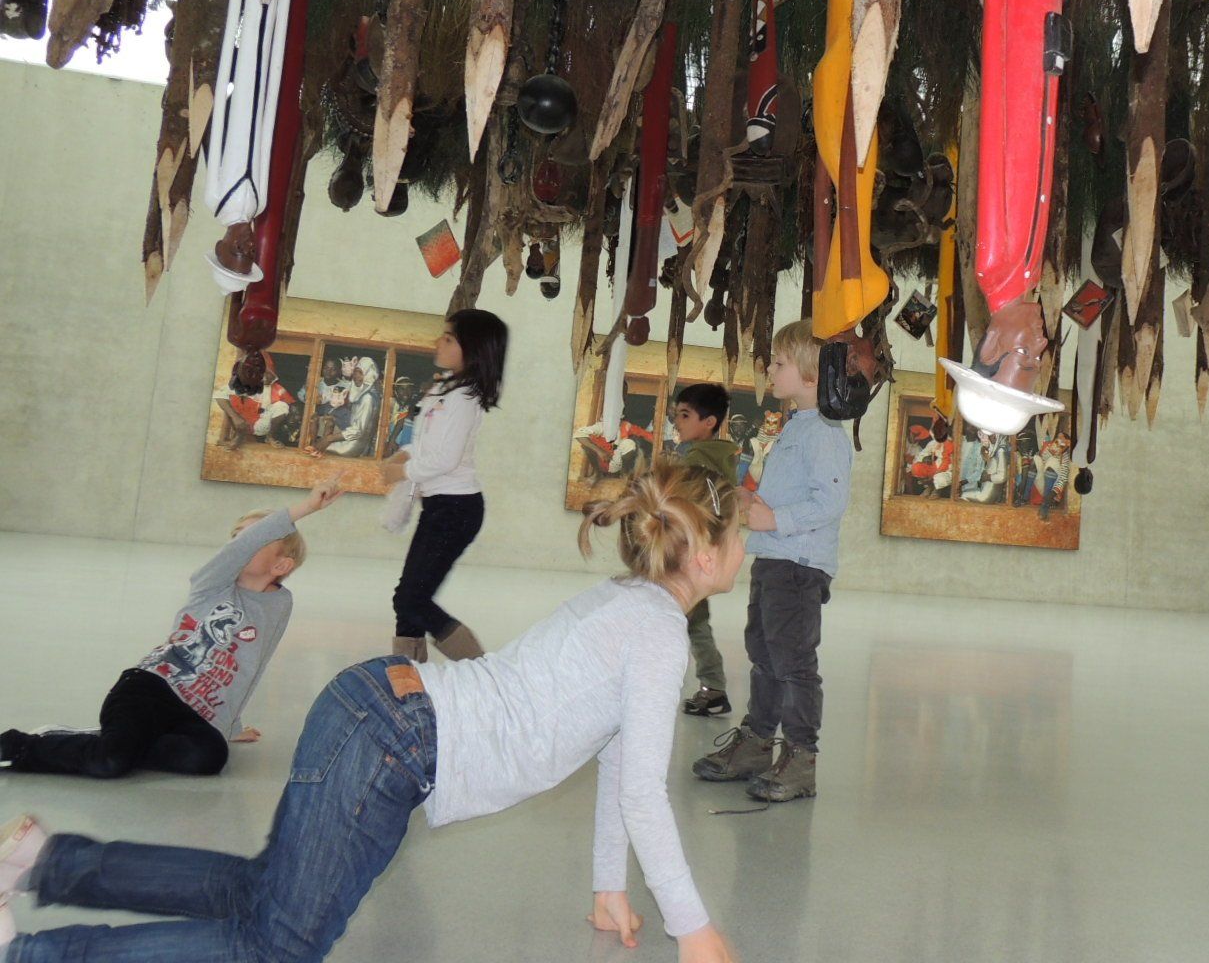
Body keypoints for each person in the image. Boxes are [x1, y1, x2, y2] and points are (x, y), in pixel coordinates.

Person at [0, 461, 741, 963]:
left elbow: (618, 758)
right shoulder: (657, 632)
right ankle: (29, 953)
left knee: (261, 891)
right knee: (278, 945)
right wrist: (694, 928)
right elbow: (643, 794)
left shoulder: (624, 600)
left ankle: (44, 863)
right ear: (704, 555)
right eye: (739, 534)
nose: (747, 545)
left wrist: (610, 887)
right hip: (395, 742)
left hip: (378, 707)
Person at [0, 479, 346, 780]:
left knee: (209, 757)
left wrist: (231, 725)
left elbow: (253, 664)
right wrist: (305, 507)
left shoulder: (278, 604)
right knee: (110, 762)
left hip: (193, 713)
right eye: (237, 536)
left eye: (255, 538)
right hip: (150, 689)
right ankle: (19, 746)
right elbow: (237, 552)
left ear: (281, 565)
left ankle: (118, 741)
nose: (239, 542)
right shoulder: (212, 584)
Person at [692, 319, 851, 803]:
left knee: (793, 663)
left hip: (798, 565)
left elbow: (830, 502)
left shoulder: (825, 431)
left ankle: (801, 758)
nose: (771, 371)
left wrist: (774, 518)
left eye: (780, 364)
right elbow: (794, 492)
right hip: (775, 558)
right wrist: (754, 500)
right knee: (763, 654)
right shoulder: (797, 426)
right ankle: (757, 743)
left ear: (810, 375)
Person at [379, 310, 508, 663]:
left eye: (448, 339)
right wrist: (405, 455)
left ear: (473, 349)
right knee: (408, 600)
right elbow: (428, 446)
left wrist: (402, 472)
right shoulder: (445, 390)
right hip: (441, 506)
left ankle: (483, 673)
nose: (438, 342)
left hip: (455, 510)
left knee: (411, 599)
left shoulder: (463, 398)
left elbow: (444, 460)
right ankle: (409, 681)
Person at [672, 383, 739, 718]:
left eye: (685, 415)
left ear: (709, 422)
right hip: (699, 553)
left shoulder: (699, 461)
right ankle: (712, 686)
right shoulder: (714, 457)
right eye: (677, 414)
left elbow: (698, 510)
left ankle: (712, 687)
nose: (677, 421)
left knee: (688, 621)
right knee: (694, 621)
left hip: (690, 554)